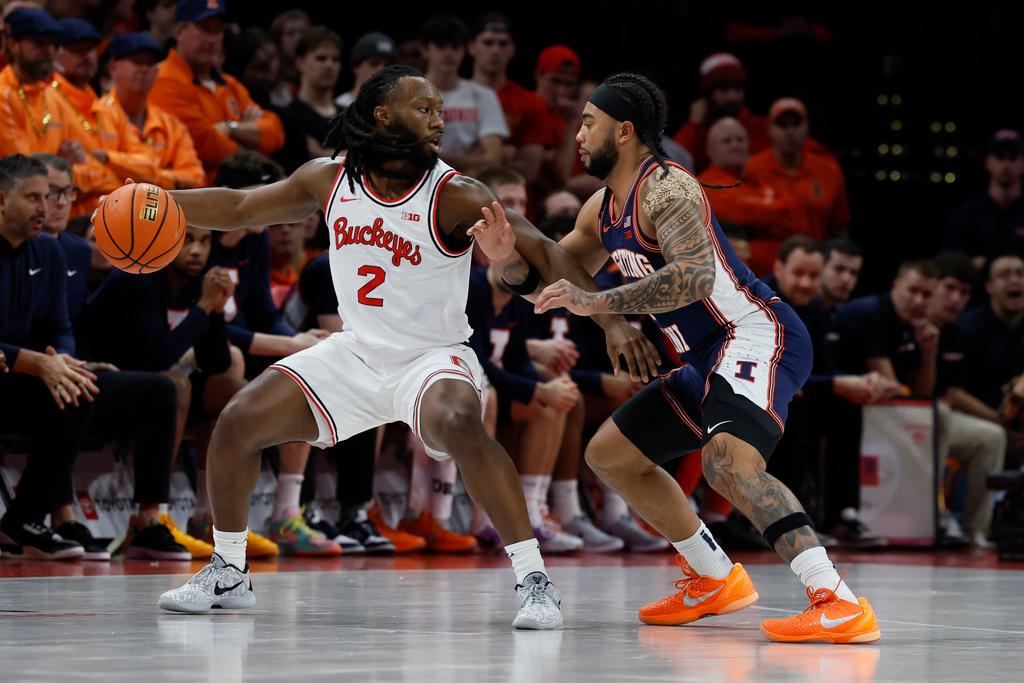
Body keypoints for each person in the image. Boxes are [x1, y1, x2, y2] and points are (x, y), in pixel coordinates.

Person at [154, 64, 654, 627]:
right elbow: (240, 207)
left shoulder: (456, 193)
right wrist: (158, 200)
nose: (439, 120)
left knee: (462, 427)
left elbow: (545, 251)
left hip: (432, 356)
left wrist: (612, 320)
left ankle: (535, 581)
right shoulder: (328, 179)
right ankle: (229, 568)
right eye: (425, 109)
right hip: (354, 352)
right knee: (237, 422)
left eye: (440, 109)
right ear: (383, 115)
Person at [472, 72, 880, 643]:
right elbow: (550, 282)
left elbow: (693, 278)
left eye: (589, 123)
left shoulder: (667, 187)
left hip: (754, 334)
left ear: (624, 130)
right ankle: (713, 575)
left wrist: (600, 305)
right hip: (703, 356)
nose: (578, 135)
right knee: (611, 455)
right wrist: (507, 259)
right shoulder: (600, 208)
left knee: (727, 463)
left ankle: (836, 598)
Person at [34, 151, 201, 560]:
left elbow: (70, 323)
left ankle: (149, 522)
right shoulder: (31, 249)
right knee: (64, 387)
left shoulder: (75, 250)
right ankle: (61, 516)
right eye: (47, 193)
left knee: (161, 390)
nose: (58, 203)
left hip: (71, 362)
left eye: (67, 192)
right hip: (30, 367)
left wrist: (80, 358)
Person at [0, 154, 95, 560]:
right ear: (2, 199)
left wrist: (63, 361)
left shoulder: (50, 252)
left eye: (50, 196)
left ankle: (24, 518)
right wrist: (39, 363)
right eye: (33, 197)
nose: (46, 207)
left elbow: (59, 327)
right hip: (15, 366)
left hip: (18, 373)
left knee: (79, 389)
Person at [148, 0, 285, 182]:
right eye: (204, 29)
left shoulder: (229, 84)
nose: (212, 39)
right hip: (198, 190)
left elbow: (276, 132)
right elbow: (202, 144)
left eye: (218, 30)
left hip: (242, 187)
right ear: (178, 31)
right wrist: (251, 143)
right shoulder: (163, 79)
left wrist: (230, 128)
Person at [926, 252, 1005, 549]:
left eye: (964, 293)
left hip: (940, 415)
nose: (956, 299)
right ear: (932, 286)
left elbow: (953, 391)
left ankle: (975, 529)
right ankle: (933, 516)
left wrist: (1001, 423)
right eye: (949, 288)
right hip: (903, 413)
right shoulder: (910, 321)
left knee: (991, 436)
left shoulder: (962, 334)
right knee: (940, 412)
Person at [95, 32, 206, 191]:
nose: (145, 69)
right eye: (137, 61)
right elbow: (95, 177)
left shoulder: (172, 125)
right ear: (113, 67)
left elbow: (196, 179)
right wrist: (165, 175)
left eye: (150, 63)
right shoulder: (97, 115)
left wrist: (114, 162)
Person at [698, 116, 805, 277]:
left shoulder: (761, 177)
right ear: (709, 150)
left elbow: (798, 216)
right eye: (727, 141)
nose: (735, 145)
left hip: (781, 278)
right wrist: (776, 215)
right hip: (736, 280)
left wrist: (758, 222)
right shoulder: (706, 184)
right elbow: (740, 214)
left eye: (740, 140)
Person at [745, 97, 851, 243]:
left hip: (815, 254)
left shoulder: (829, 170)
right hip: (766, 256)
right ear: (770, 129)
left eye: (796, 124)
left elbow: (840, 229)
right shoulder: (751, 169)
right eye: (782, 125)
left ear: (807, 127)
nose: (790, 132)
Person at [955, 254, 1024, 468]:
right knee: (992, 436)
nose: (1015, 280)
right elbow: (953, 393)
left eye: (1020, 273)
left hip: (1019, 422)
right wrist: (1001, 424)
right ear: (989, 287)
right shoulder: (967, 328)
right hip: (980, 419)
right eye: (1004, 275)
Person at [468, 13, 550, 186]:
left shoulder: (531, 102)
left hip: (511, 196)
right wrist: (504, 153)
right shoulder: (450, 98)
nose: (496, 50)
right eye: (488, 43)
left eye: (503, 44)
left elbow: (530, 172)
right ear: (472, 47)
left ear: (512, 49)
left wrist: (484, 154)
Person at [421, 13, 508, 173]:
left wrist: (431, 157)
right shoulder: (406, 94)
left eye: (455, 47)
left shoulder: (484, 96)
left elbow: (493, 160)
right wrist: (472, 159)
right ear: (425, 50)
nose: (449, 52)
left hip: (468, 183)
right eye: (441, 46)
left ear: (465, 50)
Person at [671, 52, 770, 174]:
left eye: (737, 88)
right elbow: (677, 164)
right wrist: (693, 126)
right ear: (708, 94)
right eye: (724, 89)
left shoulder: (760, 127)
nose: (732, 97)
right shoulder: (696, 130)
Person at [944, 129, 1024, 269]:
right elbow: (953, 267)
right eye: (999, 156)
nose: (1006, 165)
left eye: (1013, 157)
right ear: (987, 162)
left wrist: (982, 264)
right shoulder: (965, 215)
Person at [286, 26, 344, 160]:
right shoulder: (289, 116)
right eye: (321, 58)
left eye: (335, 59)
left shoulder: (351, 116)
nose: (329, 65)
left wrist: (321, 153)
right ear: (300, 63)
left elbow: (368, 158)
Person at [334, 31, 397, 110]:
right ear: (356, 67)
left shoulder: (398, 109)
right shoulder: (340, 106)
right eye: (374, 64)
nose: (381, 70)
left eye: (387, 65)